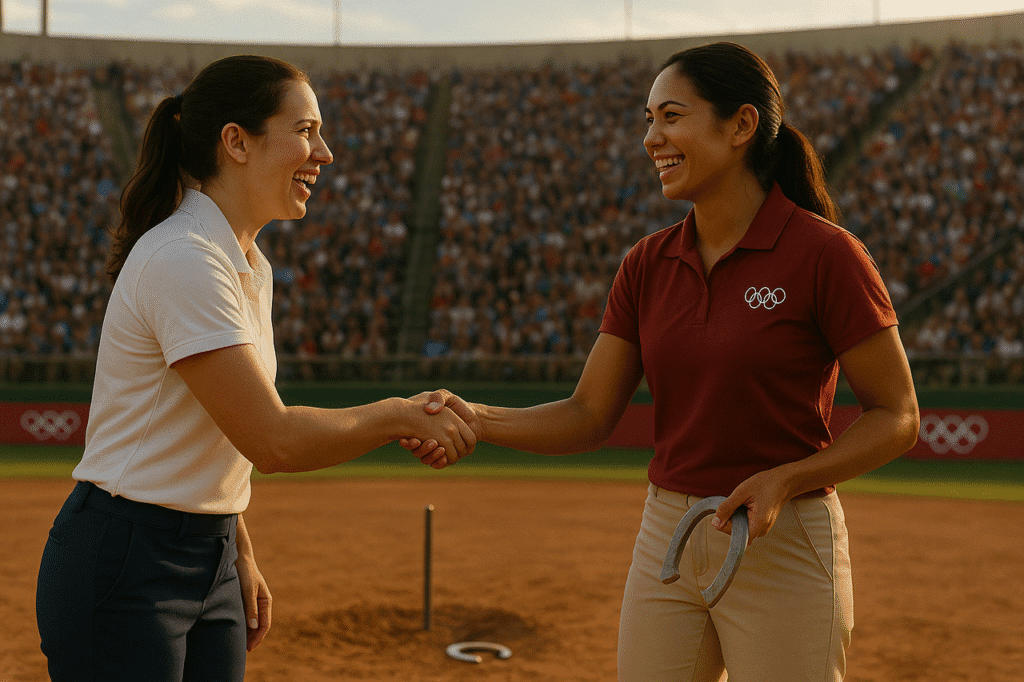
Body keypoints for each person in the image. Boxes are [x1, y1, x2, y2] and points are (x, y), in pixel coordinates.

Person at [406, 42, 919, 681]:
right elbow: (588, 414)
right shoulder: (646, 264)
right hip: (666, 539)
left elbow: (897, 415)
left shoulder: (828, 255)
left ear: (740, 126)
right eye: (649, 119)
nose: (653, 138)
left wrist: (785, 480)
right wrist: (475, 418)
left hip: (781, 539)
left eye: (671, 117)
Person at [35, 55, 474, 682]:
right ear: (236, 141)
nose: (324, 152)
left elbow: (222, 433)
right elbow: (273, 439)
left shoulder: (244, 259)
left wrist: (233, 546)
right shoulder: (185, 256)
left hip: (205, 553)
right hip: (126, 560)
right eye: (304, 130)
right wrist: (400, 415)